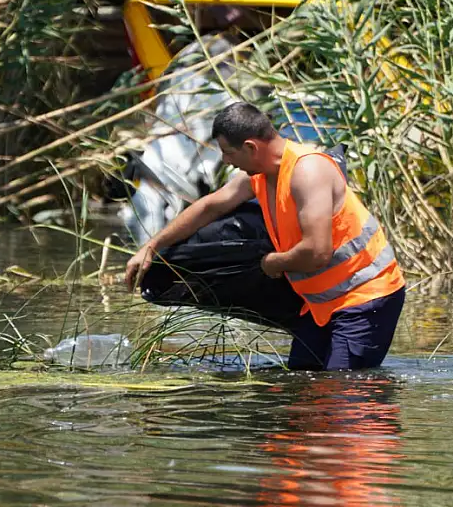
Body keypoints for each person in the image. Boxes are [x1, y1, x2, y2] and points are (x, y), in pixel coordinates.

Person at [125, 102, 406, 370]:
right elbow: (210, 206)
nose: (225, 160)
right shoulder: (259, 175)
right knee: (302, 381)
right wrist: (152, 246)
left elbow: (317, 252)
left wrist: (272, 263)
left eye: (227, 152)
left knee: (340, 391)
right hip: (321, 303)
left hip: (365, 296)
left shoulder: (308, 171)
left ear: (250, 147)